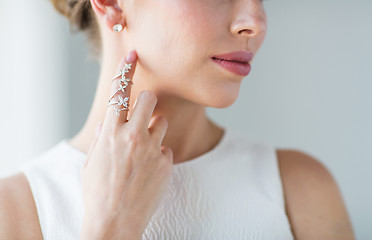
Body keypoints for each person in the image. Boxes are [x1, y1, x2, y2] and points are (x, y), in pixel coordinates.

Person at [0, 0, 355, 239]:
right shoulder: (15, 214)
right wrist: (110, 228)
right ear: (111, 3)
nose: (255, 23)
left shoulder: (300, 190)